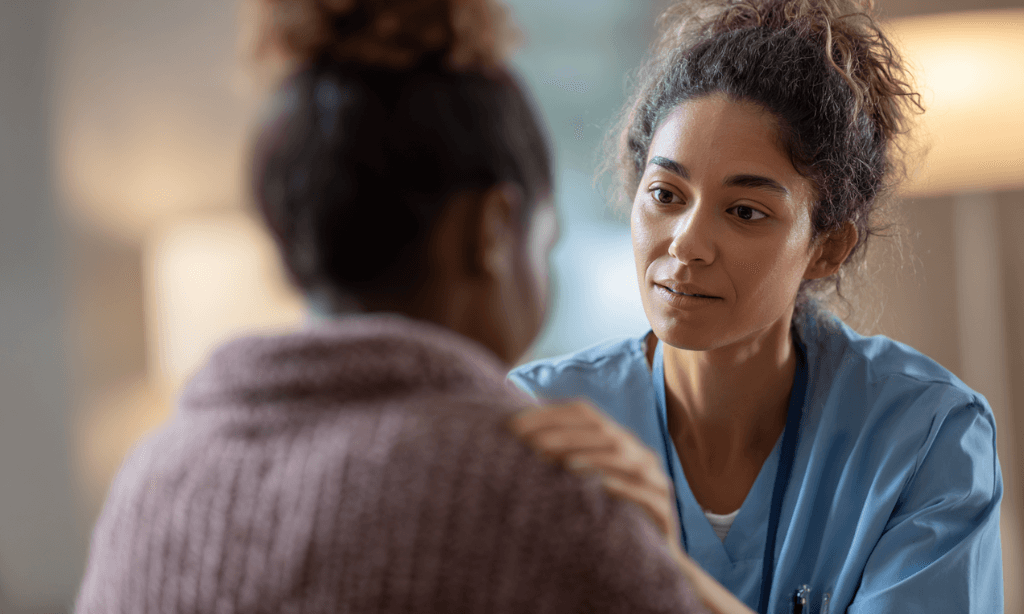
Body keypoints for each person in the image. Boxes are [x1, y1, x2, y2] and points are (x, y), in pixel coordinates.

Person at [73, 0, 709, 612]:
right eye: (545, 243)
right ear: (492, 230)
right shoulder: (544, 493)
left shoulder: (152, 480)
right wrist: (657, 556)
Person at [509, 0, 1004, 612]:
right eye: (665, 194)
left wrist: (663, 570)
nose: (686, 242)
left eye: (744, 212)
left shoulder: (925, 439)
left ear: (827, 248)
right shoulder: (535, 421)